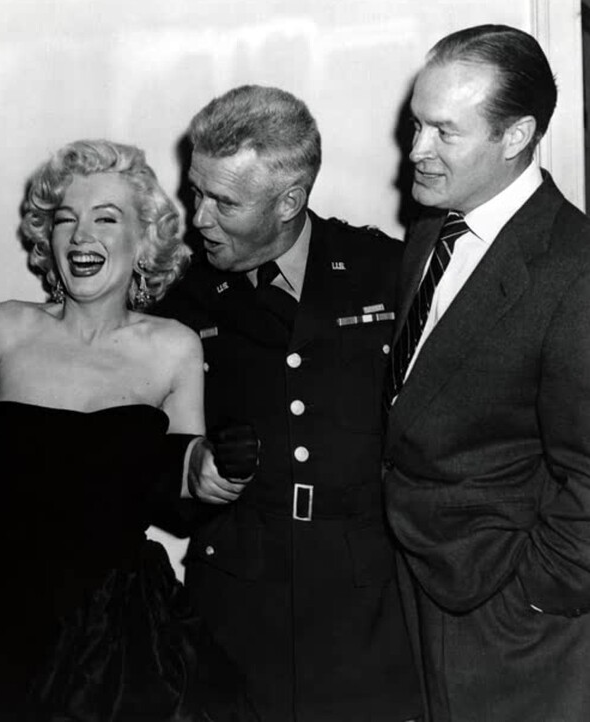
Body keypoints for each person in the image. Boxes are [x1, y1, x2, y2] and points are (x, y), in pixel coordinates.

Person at [153, 85, 421, 721]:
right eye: (196, 192)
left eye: (224, 202)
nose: (199, 218)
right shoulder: (180, 297)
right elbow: (137, 451)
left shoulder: (387, 271)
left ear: (289, 202)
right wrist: (187, 467)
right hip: (237, 598)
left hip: (364, 600)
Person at [0, 139, 257, 721]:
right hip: (0, 626)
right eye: (65, 219)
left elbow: (183, 495)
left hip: (113, 646)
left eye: (106, 218)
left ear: (143, 239)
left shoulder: (173, 346)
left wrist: (214, 469)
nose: (81, 236)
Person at [383, 24, 590, 722]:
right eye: (416, 124)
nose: (417, 150)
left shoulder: (575, 269)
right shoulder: (430, 233)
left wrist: (532, 597)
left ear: (516, 136)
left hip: (509, 622)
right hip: (414, 588)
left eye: (444, 131)